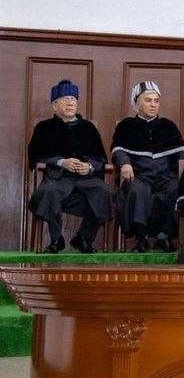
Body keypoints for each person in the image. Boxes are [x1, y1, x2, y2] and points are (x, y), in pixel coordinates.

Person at [26, 79, 111, 253]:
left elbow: (101, 158)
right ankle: (56, 239)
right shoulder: (44, 128)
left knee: (105, 193)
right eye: (65, 99)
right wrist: (62, 162)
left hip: (85, 179)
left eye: (73, 99)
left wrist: (89, 167)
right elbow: (36, 155)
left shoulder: (88, 128)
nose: (70, 102)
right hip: (58, 177)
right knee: (48, 193)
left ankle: (84, 238)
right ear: (54, 106)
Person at [111, 81, 184, 252]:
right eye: (148, 100)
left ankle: (165, 236)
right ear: (137, 103)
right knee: (136, 190)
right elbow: (118, 150)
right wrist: (125, 163)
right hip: (139, 174)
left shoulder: (168, 126)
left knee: (177, 189)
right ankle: (141, 237)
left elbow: (182, 151)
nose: (153, 104)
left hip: (164, 175)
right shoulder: (126, 126)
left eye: (156, 101)